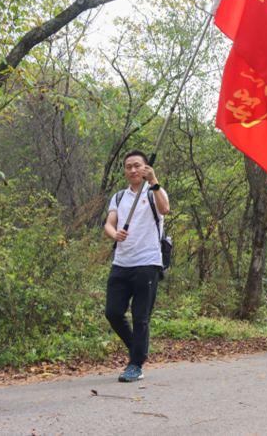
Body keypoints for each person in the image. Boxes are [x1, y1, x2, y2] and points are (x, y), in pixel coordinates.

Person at [104, 150, 170, 383]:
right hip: (121, 262)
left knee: (141, 316)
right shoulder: (119, 197)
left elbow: (165, 210)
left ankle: (136, 364)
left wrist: (154, 182)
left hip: (147, 262)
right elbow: (109, 224)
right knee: (112, 312)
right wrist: (115, 234)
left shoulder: (154, 192)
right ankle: (138, 347)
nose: (133, 170)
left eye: (137, 166)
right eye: (128, 166)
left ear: (146, 168)